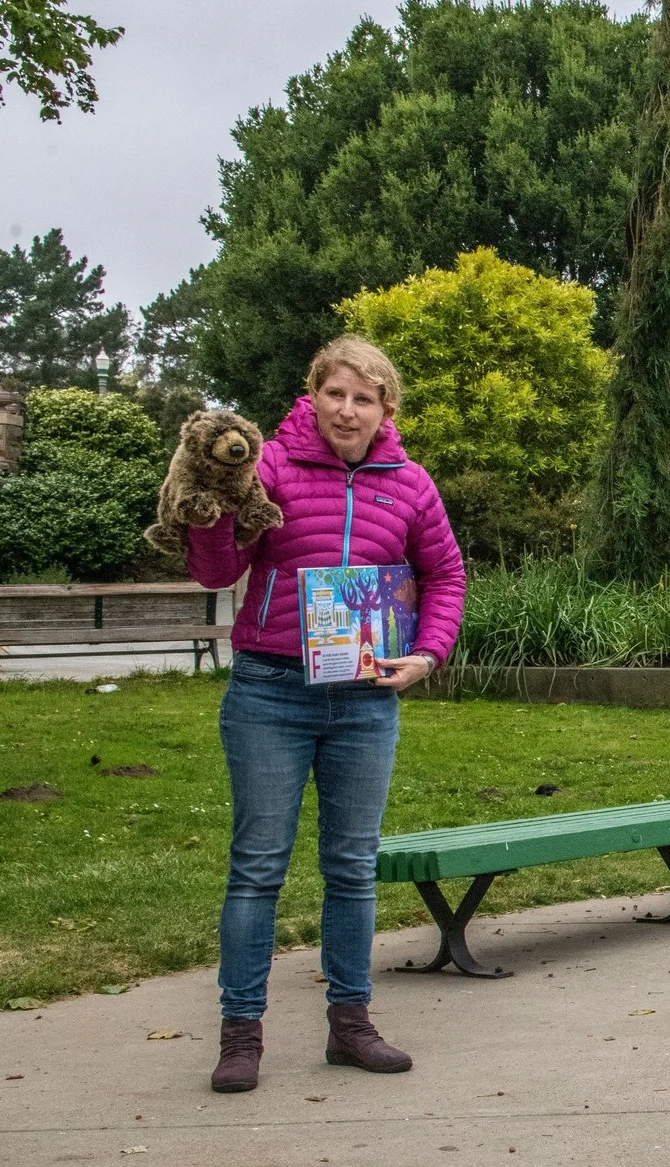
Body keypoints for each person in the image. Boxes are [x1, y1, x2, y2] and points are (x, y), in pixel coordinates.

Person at [187, 335, 466, 1096]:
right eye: (335, 393)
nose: (348, 409)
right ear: (313, 395)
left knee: (351, 868)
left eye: (364, 398)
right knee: (257, 870)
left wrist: (430, 654)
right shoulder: (268, 466)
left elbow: (445, 573)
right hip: (270, 692)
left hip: (367, 697)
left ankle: (351, 1024)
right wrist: (209, 509)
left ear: (386, 410)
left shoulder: (409, 484)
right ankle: (240, 1034)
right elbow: (216, 571)